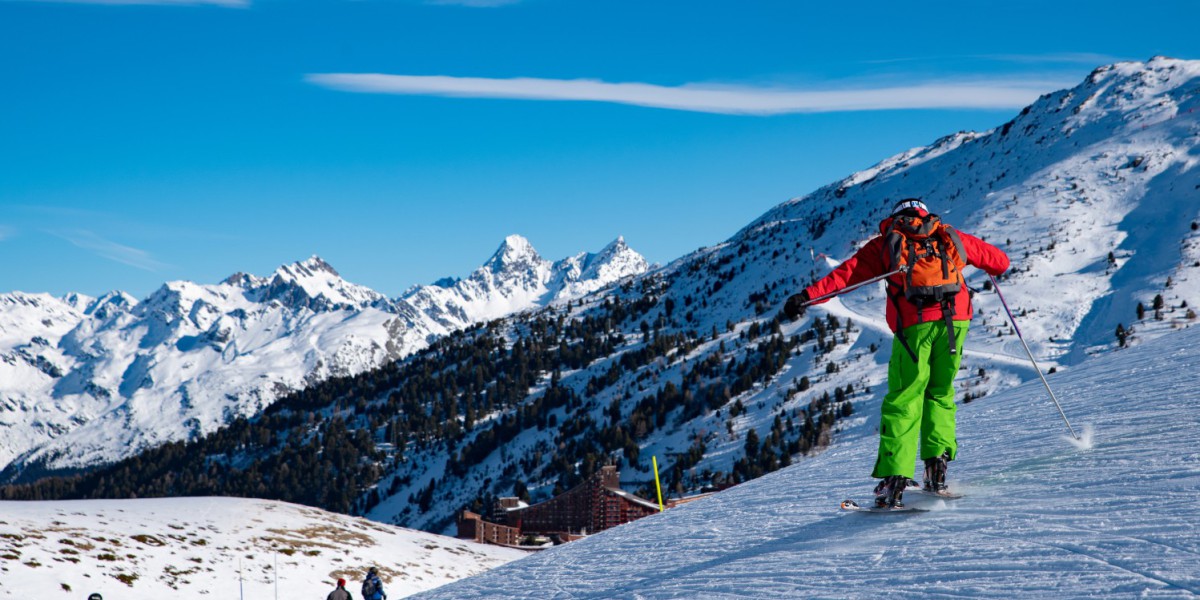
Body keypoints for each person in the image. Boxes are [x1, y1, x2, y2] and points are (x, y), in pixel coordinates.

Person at [784, 198, 1009, 508]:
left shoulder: (887, 242)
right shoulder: (948, 235)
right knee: (940, 394)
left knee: (905, 399)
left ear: (896, 218)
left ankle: (894, 480)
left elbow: (845, 276)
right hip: (955, 323)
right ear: (924, 213)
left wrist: (807, 297)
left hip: (915, 325)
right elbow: (1000, 261)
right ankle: (937, 470)